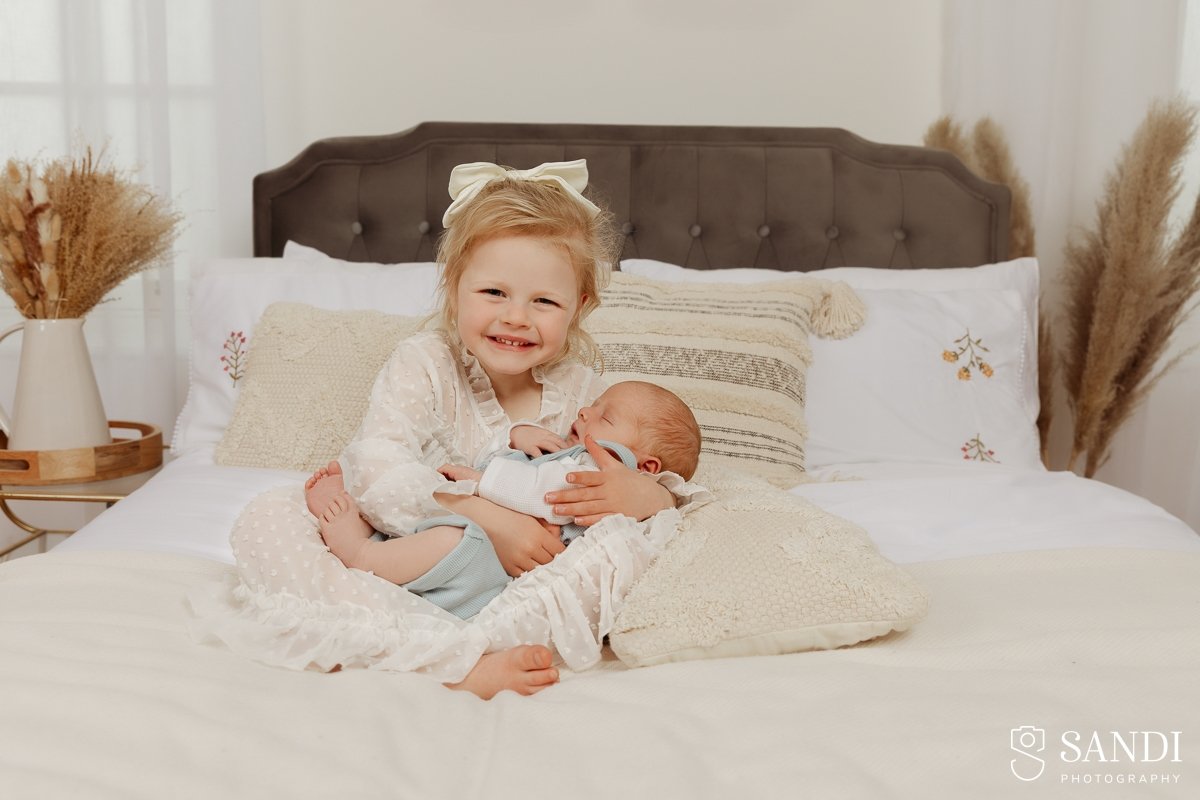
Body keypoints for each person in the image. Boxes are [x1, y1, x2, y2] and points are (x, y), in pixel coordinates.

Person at [210, 160, 708, 700]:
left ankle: (467, 647)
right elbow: (376, 471)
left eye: (543, 301)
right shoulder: (424, 363)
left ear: (579, 306)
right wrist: (485, 515)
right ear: (454, 286)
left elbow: (639, 485)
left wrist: (646, 496)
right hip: (399, 559)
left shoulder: (588, 396)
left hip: (517, 593)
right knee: (271, 518)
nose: (516, 317)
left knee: (632, 545)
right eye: (494, 292)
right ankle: (457, 660)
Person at [306, 380, 702, 622]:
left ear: (645, 465)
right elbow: (499, 464)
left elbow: (543, 494)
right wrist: (516, 437)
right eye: (592, 404)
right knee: (437, 524)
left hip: (491, 573)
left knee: (453, 542)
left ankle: (361, 554)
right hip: (482, 538)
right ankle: (369, 516)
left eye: (605, 417)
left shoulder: (601, 473)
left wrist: (482, 481)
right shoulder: (567, 452)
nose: (584, 410)